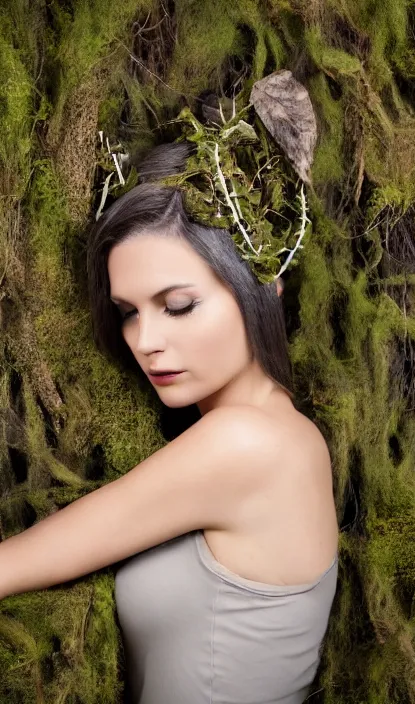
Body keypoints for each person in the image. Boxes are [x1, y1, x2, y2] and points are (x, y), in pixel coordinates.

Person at [0, 143, 339, 704]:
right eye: (129, 312)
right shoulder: (278, 433)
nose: (145, 342)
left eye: (178, 305)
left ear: (265, 285)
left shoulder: (250, 442)